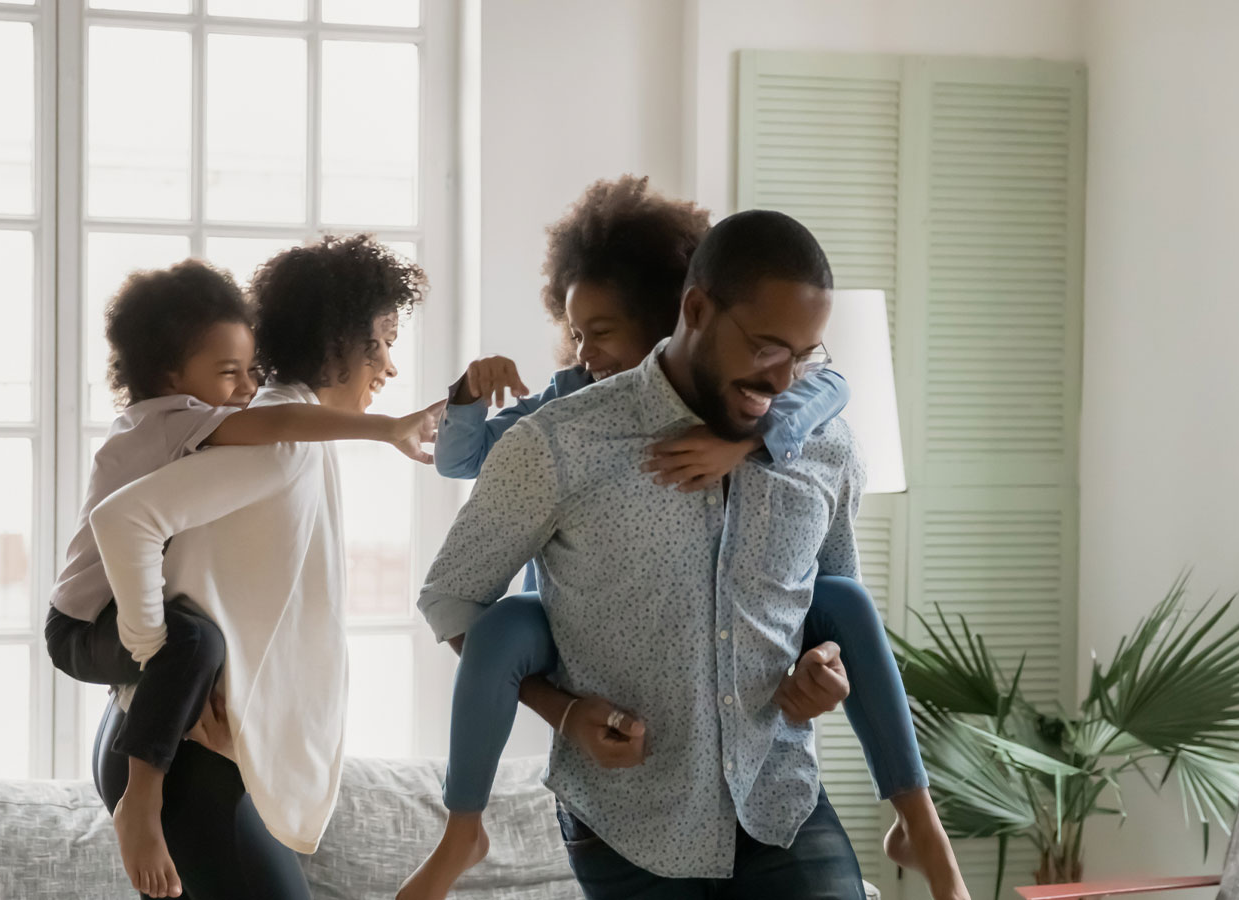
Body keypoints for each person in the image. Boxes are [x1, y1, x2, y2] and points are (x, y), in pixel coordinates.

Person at [417, 209, 968, 899]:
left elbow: (831, 605)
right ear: (697, 308)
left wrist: (822, 672)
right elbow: (453, 598)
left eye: (804, 355)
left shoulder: (826, 448)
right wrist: (560, 710)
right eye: (768, 347)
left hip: (780, 803)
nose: (783, 378)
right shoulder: (558, 442)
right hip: (626, 824)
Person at [85, 236, 428, 900]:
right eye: (381, 341)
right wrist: (161, 665)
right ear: (336, 340)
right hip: (181, 759)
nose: (389, 366)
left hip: (185, 751)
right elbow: (123, 521)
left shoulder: (288, 433)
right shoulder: (280, 441)